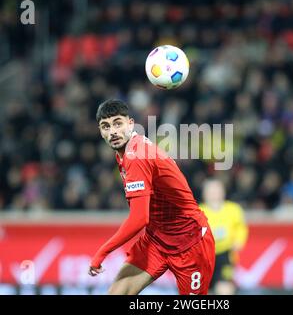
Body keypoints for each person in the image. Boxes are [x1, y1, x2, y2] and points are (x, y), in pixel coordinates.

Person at [88, 99, 215, 295]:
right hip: (156, 240)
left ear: (131, 123)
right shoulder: (124, 151)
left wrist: (102, 252)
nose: (112, 131)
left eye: (117, 123)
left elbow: (139, 219)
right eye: (105, 126)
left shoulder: (136, 156)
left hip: (190, 242)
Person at [200, 178, 248, 295]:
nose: (214, 193)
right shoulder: (198, 211)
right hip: (203, 258)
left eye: (217, 189)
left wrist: (238, 241)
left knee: (224, 288)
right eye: (211, 190)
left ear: (223, 191)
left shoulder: (234, 209)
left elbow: (241, 228)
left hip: (225, 255)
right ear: (204, 193)